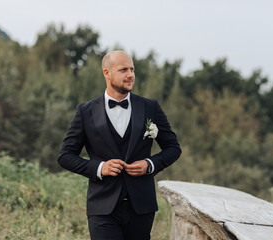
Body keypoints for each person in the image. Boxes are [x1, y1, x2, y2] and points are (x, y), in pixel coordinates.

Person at [58, 50, 181, 240]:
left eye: (132, 69)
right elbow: (65, 156)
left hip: (141, 207)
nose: (130, 74)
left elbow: (173, 148)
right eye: (123, 70)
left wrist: (150, 164)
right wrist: (100, 167)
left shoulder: (150, 107)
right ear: (106, 73)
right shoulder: (85, 111)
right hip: (102, 207)